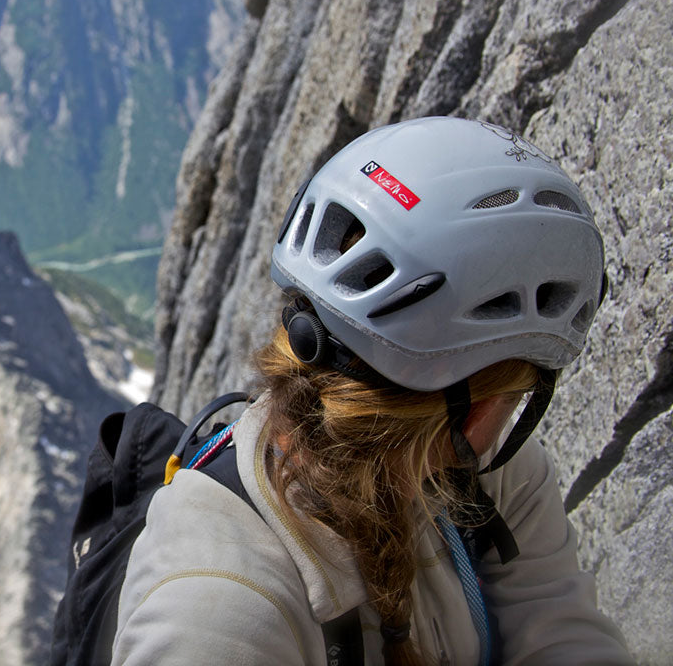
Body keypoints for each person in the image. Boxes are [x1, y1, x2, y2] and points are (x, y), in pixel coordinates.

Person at [112, 117, 633, 665]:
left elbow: (567, 640)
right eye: (516, 397)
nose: (507, 430)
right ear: (475, 409)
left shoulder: (495, 478)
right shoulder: (214, 617)